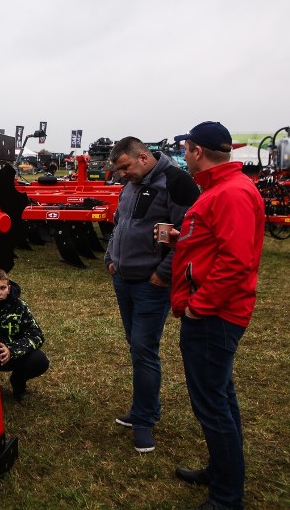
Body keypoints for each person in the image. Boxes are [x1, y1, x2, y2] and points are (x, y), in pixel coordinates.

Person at [165, 122, 264, 510]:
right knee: (220, 396)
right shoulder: (224, 190)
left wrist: (199, 305)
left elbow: (236, 261)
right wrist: (180, 238)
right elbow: (217, 244)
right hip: (216, 312)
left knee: (212, 404)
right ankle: (222, 471)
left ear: (195, 151)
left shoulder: (229, 193)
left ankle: (226, 497)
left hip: (214, 316)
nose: (184, 157)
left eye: (186, 151)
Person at [104, 136, 200, 453]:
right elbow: (121, 222)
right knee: (136, 344)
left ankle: (144, 418)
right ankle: (146, 409)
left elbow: (190, 232)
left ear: (143, 157)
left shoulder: (177, 182)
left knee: (144, 348)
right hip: (124, 277)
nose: (121, 175)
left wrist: (164, 272)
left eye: (125, 167)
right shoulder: (132, 183)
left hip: (150, 283)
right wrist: (110, 257)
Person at [0, 269, 49, 402]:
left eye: (2, 288)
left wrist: (11, 350)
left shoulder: (20, 307)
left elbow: (37, 336)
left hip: (12, 356)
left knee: (40, 360)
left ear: (9, 288)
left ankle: (18, 382)